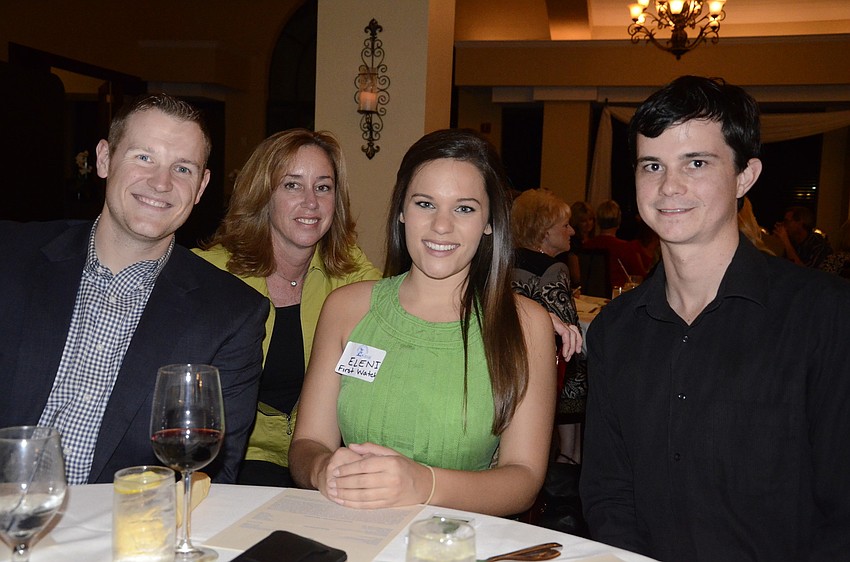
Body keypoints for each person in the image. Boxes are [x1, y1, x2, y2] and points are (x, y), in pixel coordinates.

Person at [580, 75, 850, 561]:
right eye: (652, 165)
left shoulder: (826, 316)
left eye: (697, 163)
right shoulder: (613, 331)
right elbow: (608, 491)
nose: (669, 187)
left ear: (745, 176)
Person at [0, 93, 268, 485]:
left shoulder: (231, 315)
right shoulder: (11, 257)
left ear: (201, 186)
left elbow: (207, 475)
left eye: (182, 168)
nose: (161, 183)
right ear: (105, 159)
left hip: (122, 534)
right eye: (144, 157)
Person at [289, 129, 557, 516]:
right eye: (425, 204)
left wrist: (422, 483)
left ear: (489, 222)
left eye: (464, 208)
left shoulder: (526, 325)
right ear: (401, 211)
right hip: (351, 530)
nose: (441, 226)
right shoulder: (347, 309)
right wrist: (321, 468)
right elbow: (308, 441)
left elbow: (524, 479)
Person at [194, 130, 380, 487]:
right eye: (292, 186)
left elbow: (400, 320)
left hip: (324, 457)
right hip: (238, 458)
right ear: (263, 195)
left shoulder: (351, 272)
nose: (311, 202)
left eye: (323, 187)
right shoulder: (210, 275)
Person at [510, 189, 586, 464]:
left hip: (512, 370)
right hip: (549, 374)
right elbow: (567, 331)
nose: (572, 231)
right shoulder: (553, 270)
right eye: (565, 225)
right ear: (544, 231)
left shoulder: (503, 262)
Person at [582, 199, 647, 292]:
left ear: (598, 222)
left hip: (590, 298)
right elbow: (641, 278)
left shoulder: (586, 245)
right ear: (618, 222)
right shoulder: (626, 248)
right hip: (618, 298)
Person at [565, 200, 596, 287]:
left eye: (590, 219)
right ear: (576, 222)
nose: (588, 224)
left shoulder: (595, 241)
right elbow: (576, 277)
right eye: (583, 221)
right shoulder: (572, 242)